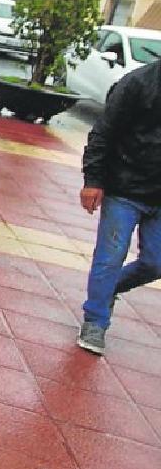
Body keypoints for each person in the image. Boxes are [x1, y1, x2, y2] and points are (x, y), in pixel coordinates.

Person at [78, 57, 161, 354]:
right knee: (110, 257)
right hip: (124, 189)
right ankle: (95, 321)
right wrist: (93, 179)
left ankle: (107, 290)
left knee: (155, 263)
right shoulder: (139, 83)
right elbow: (104, 131)